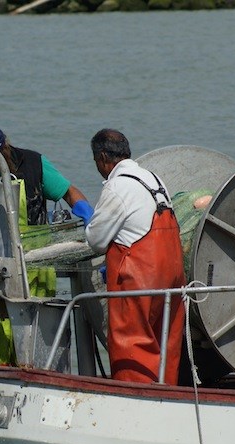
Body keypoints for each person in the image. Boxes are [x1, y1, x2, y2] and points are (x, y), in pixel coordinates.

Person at [0, 122, 91, 365]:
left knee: (36, 340)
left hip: (36, 268)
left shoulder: (32, 164)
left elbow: (69, 192)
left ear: (1, 150)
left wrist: (89, 216)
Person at [84, 128, 186, 385]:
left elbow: (95, 240)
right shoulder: (154, 179)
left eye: (96, 161)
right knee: (167, 343)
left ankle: (136, 401)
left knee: (132, 344)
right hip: (173, 277)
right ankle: (169, 397)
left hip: (140, 280)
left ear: (104, 157)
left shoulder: (118, 186)